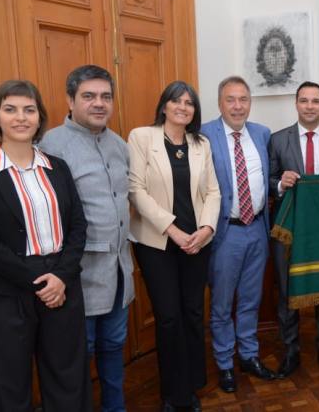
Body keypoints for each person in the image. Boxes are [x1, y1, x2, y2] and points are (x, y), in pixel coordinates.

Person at [0, 80, 91, 411]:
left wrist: (60, 277)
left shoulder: (57, 168)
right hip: (7, 292)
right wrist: (38, 282)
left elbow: (78, 227)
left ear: (39, 117)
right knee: (8, 385)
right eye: (11, 109)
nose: (21, 117)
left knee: (68, 378)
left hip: (62, 285)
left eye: (29, 110)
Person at [39, 65, 134, 412]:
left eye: (106, 97)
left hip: (120, 273)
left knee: (113, 351)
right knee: (78, 357)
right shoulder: (51, 145)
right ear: (70, 100)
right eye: (89, 96)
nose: (99, 104)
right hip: (77, 278)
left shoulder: (119, 145)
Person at [128, 81, 221, 412]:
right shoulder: (142, 137)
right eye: (176, 101)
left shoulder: (201, 143)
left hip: (198, 242)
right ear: (164, 106)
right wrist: (174, 230)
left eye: (189, 103)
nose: (183, 107)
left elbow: (213, 192)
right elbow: (136, 190)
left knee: (194, 313)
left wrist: (207, 228)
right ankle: (174, 394)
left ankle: (194, 380)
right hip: (158, 244)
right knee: (169, 317)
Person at [201, 76, 276, 393]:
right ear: (220, 103)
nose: (237, 106)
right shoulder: (204, 135)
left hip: (257, 228)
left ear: (250, 102)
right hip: (225, 232)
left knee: (250, 299)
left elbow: (268, 179)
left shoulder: (262, 133)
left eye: (243, 99)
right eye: (230, 99)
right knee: (221, 304)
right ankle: (224, 363)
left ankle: (248, 355)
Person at [268, 81, 319, 377]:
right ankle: (291, 351)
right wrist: (279, 183)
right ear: (296, 104)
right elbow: (269, 181)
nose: (310, 106)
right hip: (288, 228)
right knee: (287, 290)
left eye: (315, 101)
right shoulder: (277, 140)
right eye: (304, 100)